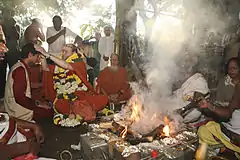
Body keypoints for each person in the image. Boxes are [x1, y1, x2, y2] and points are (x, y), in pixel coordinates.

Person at [37, 44, 108, 121]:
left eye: (66, 52)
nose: (63, 53)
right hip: (64, 95)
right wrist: (42, 57)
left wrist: (47, 54)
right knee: (59, 105)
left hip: (79, 93)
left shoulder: (78, 61)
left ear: (73, 53)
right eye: (63, 51)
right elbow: (46, 69)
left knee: (98, 101)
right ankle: (74, 114)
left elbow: (67, 66)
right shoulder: (59, 62)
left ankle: (77, 114)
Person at [4, 43, 52, 121]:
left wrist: (42, 85)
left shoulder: (21, 66)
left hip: (18, 104)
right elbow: (20, 98)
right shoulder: (20, 70)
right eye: (37, 56)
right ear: (30, 55)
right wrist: (39, 104)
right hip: (17, 111)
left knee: (44, 102)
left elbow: (26, 85)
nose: (38, 59)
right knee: (50, 111)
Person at [197, 83, 240, 158]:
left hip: (235, 138)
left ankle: (229, 151)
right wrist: (209, 106)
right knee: (203, 130)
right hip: (229, 132)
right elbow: (228, 112)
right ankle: (223, 149)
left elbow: (227, 114)